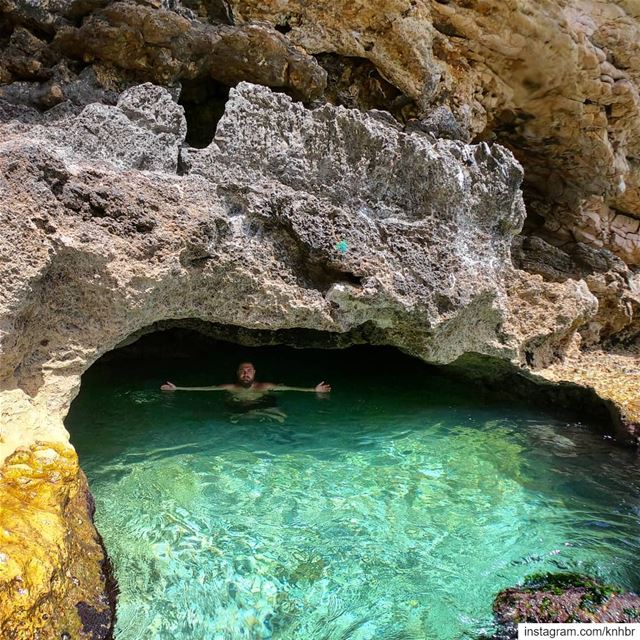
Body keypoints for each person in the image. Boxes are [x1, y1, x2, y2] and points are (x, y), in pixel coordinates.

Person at [160, 362, 331, 422]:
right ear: (238, 374)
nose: (245, 373)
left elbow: (290, 388)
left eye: (249, 370)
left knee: (282, 417)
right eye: (242, 370)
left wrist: (313, 390)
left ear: (254, 373)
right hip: (239, 408)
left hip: (261, 406)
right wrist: (177, 388)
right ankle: (250, 416)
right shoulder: (230, 387)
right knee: (231, 415)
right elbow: (204, 389)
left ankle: (252, 416)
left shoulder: (264, 386)